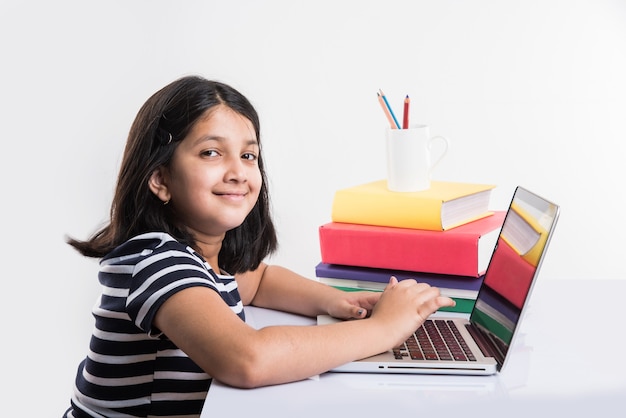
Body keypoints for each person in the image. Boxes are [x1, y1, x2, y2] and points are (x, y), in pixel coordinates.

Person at [63, 75, 455, 417]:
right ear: (160, 179)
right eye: (211, 153)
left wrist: (338, 301)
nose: (237, 172)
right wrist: (385, 330)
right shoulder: (157, 261)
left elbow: (259, 281)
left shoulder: (203, 258)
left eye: (248, 155)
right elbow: (247, 359)